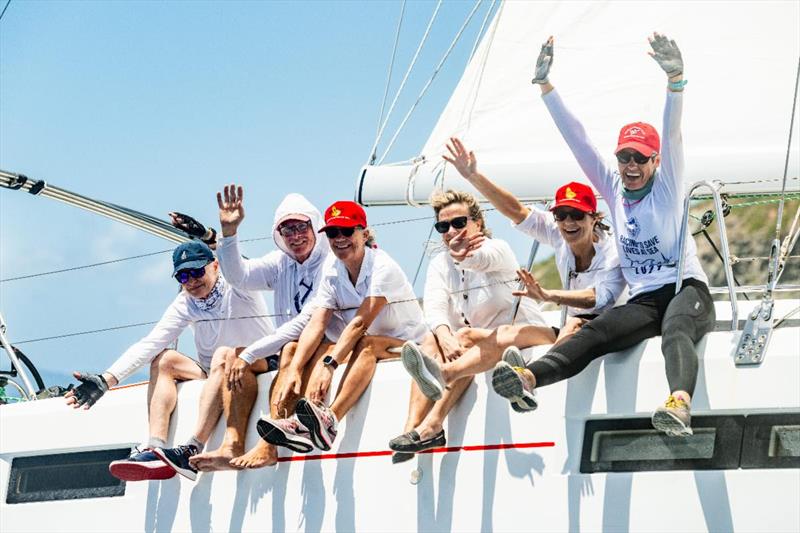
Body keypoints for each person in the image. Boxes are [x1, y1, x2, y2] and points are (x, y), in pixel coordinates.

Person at [491, 33, 715, 436]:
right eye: (623, 156)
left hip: (687, 289)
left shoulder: (666, 187)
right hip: (646, 299)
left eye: (639, 158)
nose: (630, 165)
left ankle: (679, 405)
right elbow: (577, 139)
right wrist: (545, 87)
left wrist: (675, 81)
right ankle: (527, 379)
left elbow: (673, 133)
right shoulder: (613, 189)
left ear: (655, 161)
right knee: (595, 332)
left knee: (677, 330)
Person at [65, 241, 274, 481]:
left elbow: (235, 260)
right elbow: (150, 343)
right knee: (164, 360)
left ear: (215, 265)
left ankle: (192, 447)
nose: (192, 281)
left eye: (197, 272)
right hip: (214, 371)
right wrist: (105, 380)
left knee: (224, 354)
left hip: (260, 361)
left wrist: (216, 237)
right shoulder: (186, 303)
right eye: (183, 276)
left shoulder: (239, 284)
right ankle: (155, 448)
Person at [388, 189, 551, 462]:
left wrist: (461, 254)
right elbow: (435, 306)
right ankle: (417, 427)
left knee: (463, 336)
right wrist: (443, 335)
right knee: (435, 339)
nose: (452, 230)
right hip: (483, 343)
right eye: (443, 226)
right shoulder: (440, 264)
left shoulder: (497, 248)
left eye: (459, 223)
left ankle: (438, 394)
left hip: (524, 335)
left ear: (477, 222)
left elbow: (481, 261)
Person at [258, 201, 427, 453]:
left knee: (364, 344)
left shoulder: (383, 267)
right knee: (294, 350)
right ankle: (293, 425)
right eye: (333, 233)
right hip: (367, 345)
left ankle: (331, 421)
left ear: (365, 233)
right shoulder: (332, 269)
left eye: (347, 231)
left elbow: (360, 324)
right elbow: (317, 322)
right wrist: (294, 369)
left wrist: (329, 365)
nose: (339, 239)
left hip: (409, 346)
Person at [187, 186, 332, 471]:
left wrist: (252, 353)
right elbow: (238, 276)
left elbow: (308, 321)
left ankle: (268, 447)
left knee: (281, 351)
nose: (295, 236)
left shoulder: (330, 264)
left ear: (315, 226)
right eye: (287, 230)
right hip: (287, 346)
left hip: (321, 344)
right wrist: (229, 234)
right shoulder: (281, 263)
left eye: (301, 227)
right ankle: (232, 444)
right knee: (231, 356)